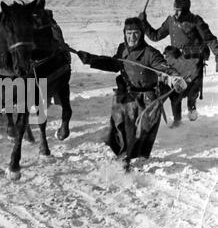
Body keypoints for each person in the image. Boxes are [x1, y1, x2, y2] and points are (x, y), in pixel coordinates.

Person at [77, 17, 187, 171]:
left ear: (141, 34)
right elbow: (114, 64)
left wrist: (174, 78)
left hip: (147, 99)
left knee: (141, 132)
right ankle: (124, 158)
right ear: (124, 34)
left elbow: (164, 68)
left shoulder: (150, 53)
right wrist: (91, 59)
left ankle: (133, 155)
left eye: (136, 33)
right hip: (126, 96)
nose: (132, 37)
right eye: (129, 33)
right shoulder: (122, 49)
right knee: (121, 128)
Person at [139, 0, 218, 125]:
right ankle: (177, 121)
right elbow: (155, 36)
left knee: (192, 90)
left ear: (186, 11)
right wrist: (144, 23)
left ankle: (192, 106)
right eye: (174, 10)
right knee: (175, 93)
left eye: (179, 11)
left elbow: (210, 39)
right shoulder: (170, 21)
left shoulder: (196, 21)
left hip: (192, 63)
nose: (175, 13)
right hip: (175, 62)